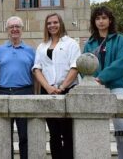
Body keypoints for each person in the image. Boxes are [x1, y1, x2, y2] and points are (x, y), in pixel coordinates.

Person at [83, 6, 123, 159]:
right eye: (97, 18)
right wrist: (93, 81)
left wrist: (100, 78)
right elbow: (84, 65)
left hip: (117, 88)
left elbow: (122, 63)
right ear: (94, 21)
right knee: (94, 131)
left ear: (110, 20)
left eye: (104, 18)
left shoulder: (120, 39)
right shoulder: (90, 43)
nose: (101, 21)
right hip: (95, 90)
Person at [32, 13, 80, 159]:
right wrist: (47, 87)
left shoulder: (71, 43)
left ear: (61, 24)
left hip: (68, 91)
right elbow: (36, 69)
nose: (52, 25)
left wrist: (63, 87)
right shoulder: (42, 46)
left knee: (68, 133)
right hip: (48, 92)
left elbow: (75, 66)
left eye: (55, 22)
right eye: (49, 23)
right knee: (53, 134)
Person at [0, 16, 35, 159]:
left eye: (17, 26)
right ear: (7, 30)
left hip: (25, 92)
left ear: (22, 29)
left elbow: (36, 74)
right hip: (3, 92)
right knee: (5, 136)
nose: (14, 29)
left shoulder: (31, 51)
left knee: (25, 135)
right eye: (11, 27)